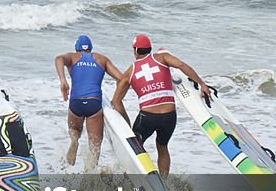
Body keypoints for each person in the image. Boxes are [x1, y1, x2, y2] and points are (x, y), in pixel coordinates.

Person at [111, 34, 210, 177]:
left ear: (136, 50)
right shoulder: (162, 58)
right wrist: (202, 84)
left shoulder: (130, 71)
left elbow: (116, 101)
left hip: (147, 118)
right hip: (169, 116)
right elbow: (181, 65)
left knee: (135, 147)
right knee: (162, 146)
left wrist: (126, 123)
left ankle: (142, 179)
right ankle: (164, 182)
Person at [54, 35, 124, 171]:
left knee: (74, 129)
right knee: (94, 144)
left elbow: (58, 59)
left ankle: (74, 140)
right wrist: (117, 99)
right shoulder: (101, 59)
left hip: (76, 103)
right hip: (94, 103)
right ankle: (90, 173)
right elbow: (121, 78)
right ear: (90, 49)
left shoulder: (73, 57)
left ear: (77, 49)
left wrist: (63, 80)